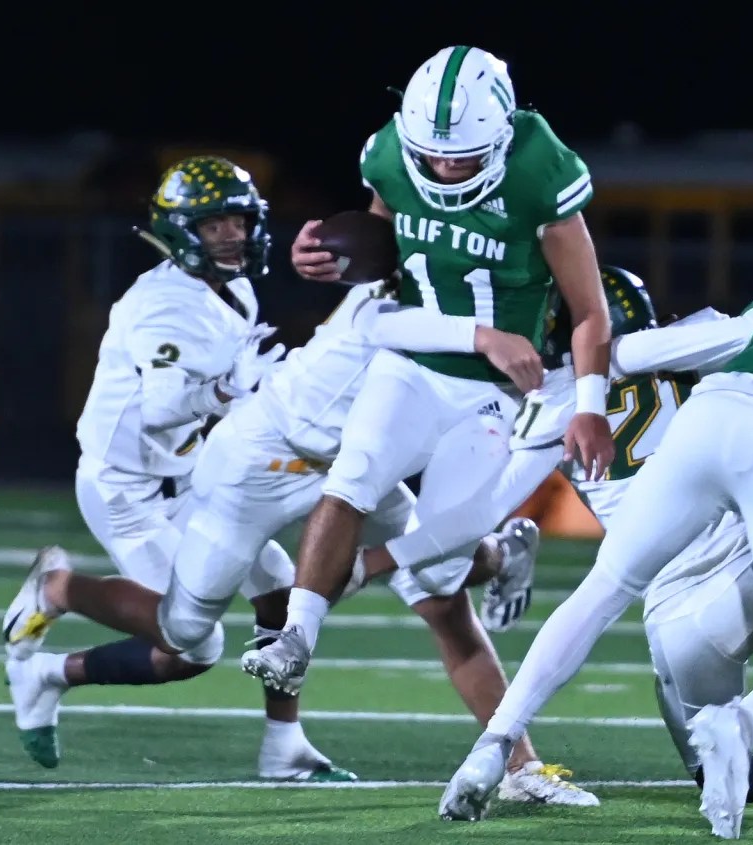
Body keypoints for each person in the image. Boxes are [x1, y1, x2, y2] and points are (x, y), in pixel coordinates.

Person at [439, 161, 753, 839]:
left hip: (673, 580)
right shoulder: (708, 340)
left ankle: (495, 741)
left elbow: (483, 506)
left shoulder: (555, 401)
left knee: (607, 602)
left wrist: (486, 548)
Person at [2, 271, 601, 804]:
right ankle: (58, 591)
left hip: (352, 468)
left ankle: (514, 762)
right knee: (185, 636)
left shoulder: (476, 323)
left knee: (441, 599)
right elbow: (381, 292)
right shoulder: (402, 304)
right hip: (260, 462)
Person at [240, 45, 615, 696]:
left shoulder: (538, 169)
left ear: (500, 135)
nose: (443, 166)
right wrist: (328, 257)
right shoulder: (390, 154)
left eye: (461, 155)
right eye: (431, 154)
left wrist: (589, 404)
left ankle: (504, 551)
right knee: (353, 475)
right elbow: (382, 248)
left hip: (494, 389)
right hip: (412, 359)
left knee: (440, 572)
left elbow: (590, 310)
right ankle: (294, 639)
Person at [0, 156, 367, 779]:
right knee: (192, 644)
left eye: (239, 221)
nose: (232, 235)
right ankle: (58, 592)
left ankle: (284, 746)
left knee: (282, 591)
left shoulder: (234, 288)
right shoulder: (163, 306)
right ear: (179, 230)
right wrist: (229, 390)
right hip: (130, 489)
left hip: (195, 470)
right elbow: (162, 411)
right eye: (214, 224)